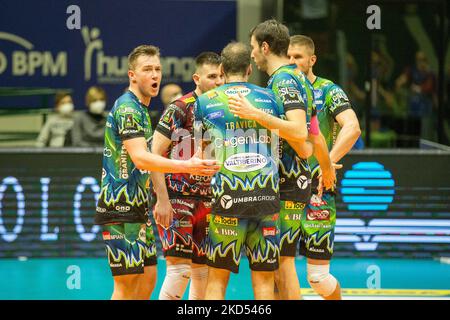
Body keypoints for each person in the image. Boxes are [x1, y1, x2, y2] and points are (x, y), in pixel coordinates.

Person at [94, 45, 219, 300]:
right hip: (120, 207)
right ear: (132, 75)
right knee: (126, 286)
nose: (155, 75)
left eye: (158, 69)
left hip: (138, 208)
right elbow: (141, 158)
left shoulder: (141, 108)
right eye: (147, 70)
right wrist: (186, 166)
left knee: (148, 279)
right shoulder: (128, 108)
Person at [228, 19, 334, 300]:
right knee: (276, 264)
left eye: (253, 47)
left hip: (289, 183)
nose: (251, 54)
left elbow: (300, 132)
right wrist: (324, 166)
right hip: (290, 181)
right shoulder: (296, 77)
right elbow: (314, 137)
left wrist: (255, 114)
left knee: (283, 263)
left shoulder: (284, 79)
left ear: (264, 47)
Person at [196, 42, 284, 300]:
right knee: (265, 283)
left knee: (217, 283)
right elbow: (278, 144)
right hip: (266, 200)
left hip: (227, 200)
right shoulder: (271, 98)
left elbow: (204, 152)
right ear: (249, 70)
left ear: (221, 69)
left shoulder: (204, 102)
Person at [288, 35, 361, 300]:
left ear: (312, 59)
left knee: (317, 278)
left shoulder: (328, 90)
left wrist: (326, 162)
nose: (293, 62)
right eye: (289, 57)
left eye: (298, 57)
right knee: (277, 270)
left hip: (318, 189)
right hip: (282, 190)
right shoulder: (279, 89)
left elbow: (352, 127)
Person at [151, 52, 224, 300]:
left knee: (202, 272)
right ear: (197, 78)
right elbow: (154, 155)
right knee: (179, 271)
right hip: (176, 197)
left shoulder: (223, 110)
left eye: (221, 76)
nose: (218, 81)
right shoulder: (179, 108)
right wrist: (162, 200)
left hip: (207, 199)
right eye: (212, 76)